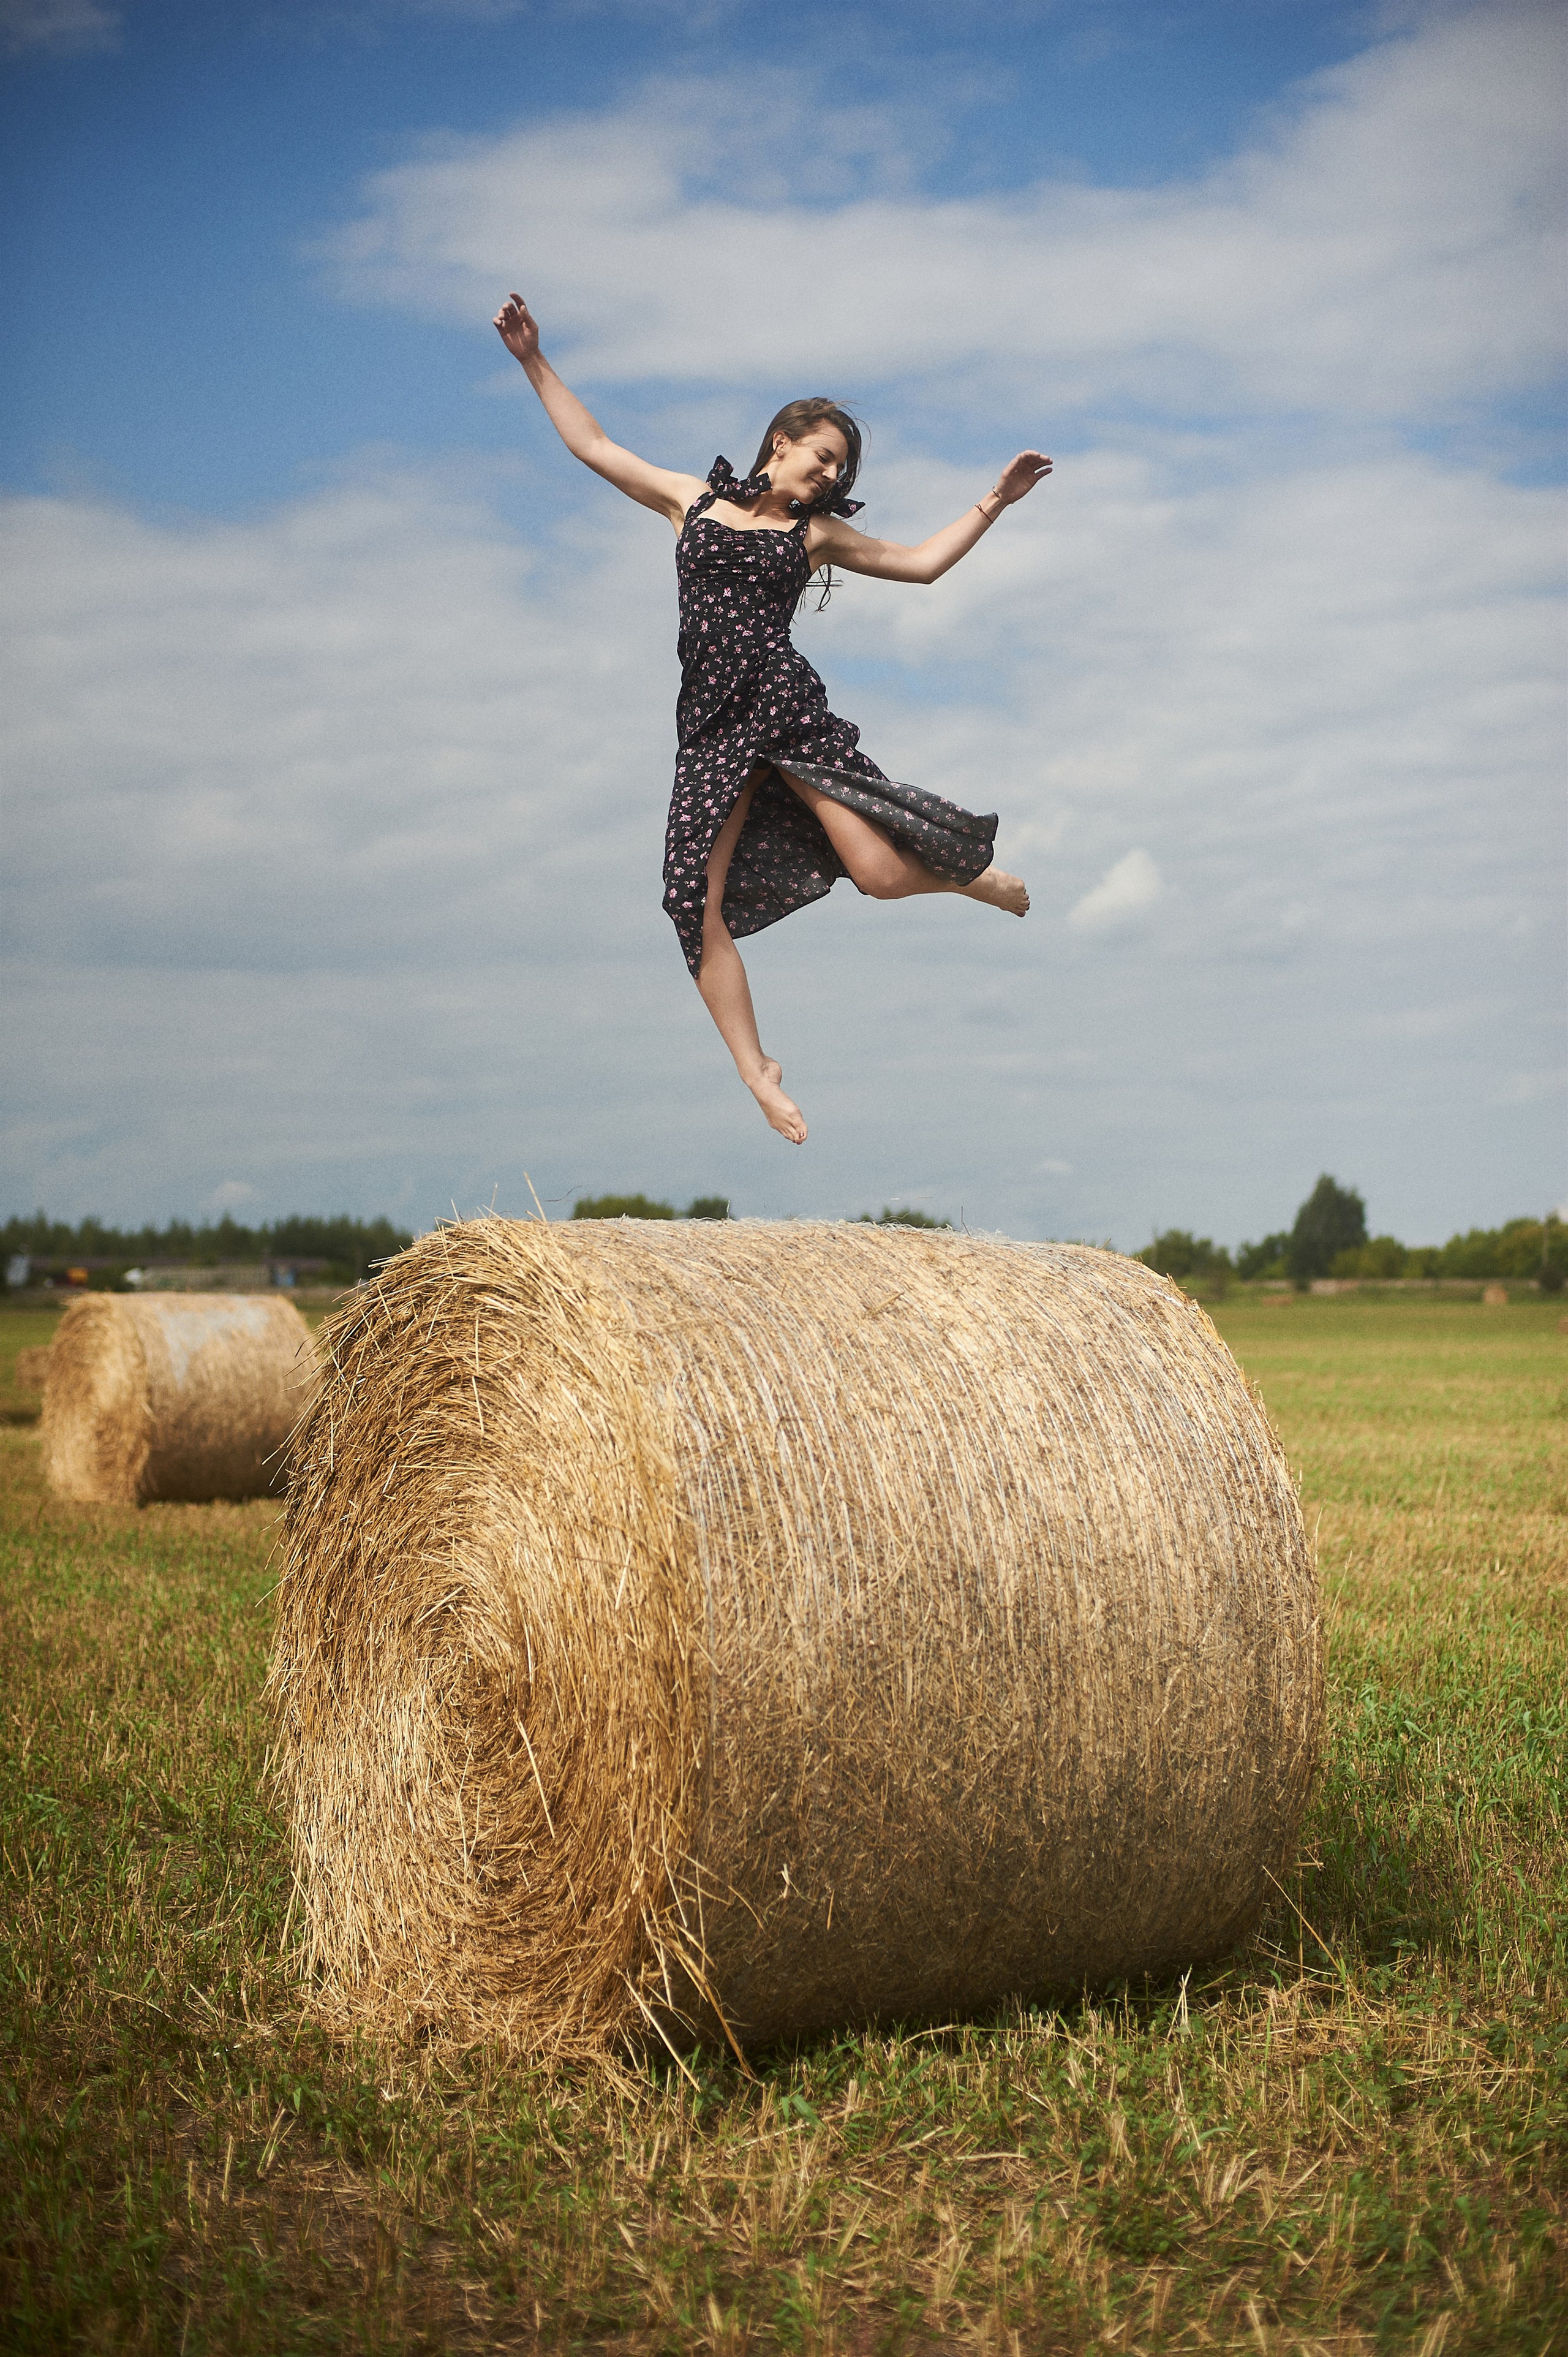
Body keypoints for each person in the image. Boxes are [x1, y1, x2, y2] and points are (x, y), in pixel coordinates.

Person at [494, 292, 1051, 1145]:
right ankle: (756, 1072)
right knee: (690, 900)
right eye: (821, 457)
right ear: (780, 443)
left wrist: (995, 501)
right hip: (713, 728)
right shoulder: (690, 502)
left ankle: (971, 878)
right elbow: (594, 445)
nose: (828, 475)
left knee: (877, 873)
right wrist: (534, 359)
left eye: (839, 470)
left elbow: (922, 565)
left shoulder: (814, 536)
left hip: (785, 713)